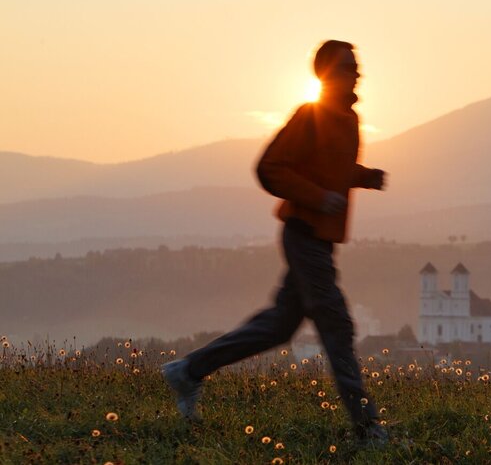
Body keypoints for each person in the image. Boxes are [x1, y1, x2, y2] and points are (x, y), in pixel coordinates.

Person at [161, 40, 389, 446]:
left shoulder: (346, 119)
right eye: (348, 66)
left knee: (278, 327)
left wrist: (363, 176)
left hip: (319, 241)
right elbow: (269, 168)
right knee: (337, 324)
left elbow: (329, 168)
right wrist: (318, 198)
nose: (357, 72)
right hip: (303, 236)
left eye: (357, 65)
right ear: (326, 74)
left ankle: (188, 371)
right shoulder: (311, 115)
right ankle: (368, 429)